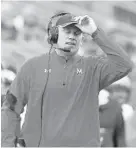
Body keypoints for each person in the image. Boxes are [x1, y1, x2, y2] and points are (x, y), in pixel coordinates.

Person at [1, 11, 133, 147]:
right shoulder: (33, 67)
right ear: (54, 35)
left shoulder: (93, 68)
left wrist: (95, 32)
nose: (72, 36)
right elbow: (11, 108)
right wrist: (8, 145)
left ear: (82, 39)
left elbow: (125, 65)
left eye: (76, 33)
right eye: (67, 32)